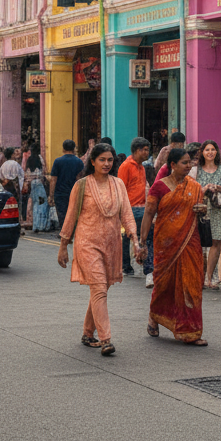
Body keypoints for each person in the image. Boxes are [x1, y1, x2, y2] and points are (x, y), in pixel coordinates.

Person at [57, 144, 139, 356]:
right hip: (87, 244)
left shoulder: (118, 184)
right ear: (92, 161)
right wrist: (63, 245)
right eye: (102, 159)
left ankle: (87, 333)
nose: (106, 164)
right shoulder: (82, 185)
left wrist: (135, 239)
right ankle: (106, 339)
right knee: (100, 288)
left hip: (111, 245)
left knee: (99, 289)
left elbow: (127, 214)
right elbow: (71, 216)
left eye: (110, 160)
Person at [138, 147, 208, 345]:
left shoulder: (194, 186)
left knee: (192, 284)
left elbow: (200, 212)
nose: (189, 166)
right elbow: (149, 214)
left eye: (190, 162)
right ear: (173, 165)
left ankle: (191, 331)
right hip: (166, 243)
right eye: (185, 163)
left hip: (190, 241)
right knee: (163, 285)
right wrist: (142, 242)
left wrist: (202, 209)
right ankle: (154, 315)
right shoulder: (159, 187)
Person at [189, 140, 221, 289]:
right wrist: (204, 189)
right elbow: (188, 192)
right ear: (202, 152)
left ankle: (210, 277)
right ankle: (199, 276)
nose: (210, 152)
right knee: (199, 244)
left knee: (216, 243)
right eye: (207, 149)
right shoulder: (195, 170)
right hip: (200, 210)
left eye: (213, 149)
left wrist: (219, 187)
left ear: (216, 152)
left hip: (218, 209)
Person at [118, 137, 154, 286]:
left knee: (145, 236)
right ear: (137, 150)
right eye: (145, 150)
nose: (147, 152)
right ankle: (127, 266)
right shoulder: (126, 166)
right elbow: (121, 189)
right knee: (127, 238)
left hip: (142, 209)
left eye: (147, 149)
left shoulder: (142, 167)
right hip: (130, 209)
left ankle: (146, 269)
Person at [49, 139, 83, 228]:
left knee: (62, 213)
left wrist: (51, 195)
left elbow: (53, 179)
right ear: (74, 149)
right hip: (74, 192)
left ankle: (64, 231)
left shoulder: (58, 161)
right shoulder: (79, 162)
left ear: (63, 149)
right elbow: (80, 179)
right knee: (73, 213)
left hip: (60, 193)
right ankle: (71, 231)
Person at [24, 151, 52, 232]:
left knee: (35, 205)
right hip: (39, 184)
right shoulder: (40, 158)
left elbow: (27, 175)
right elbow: (44, 171)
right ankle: (42, 225)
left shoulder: (29, 160)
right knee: (43, 204)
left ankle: (35, 225)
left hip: (32, 185)